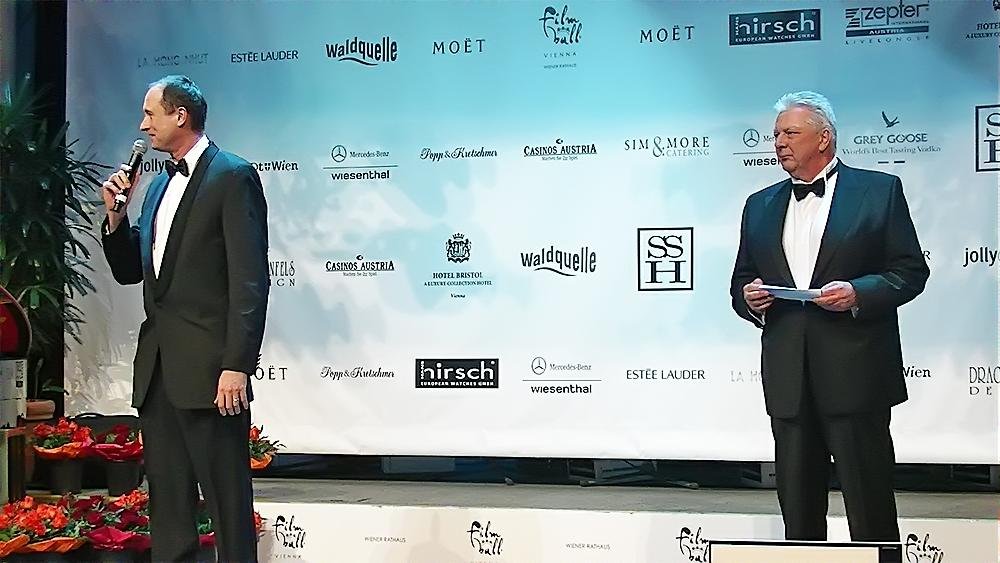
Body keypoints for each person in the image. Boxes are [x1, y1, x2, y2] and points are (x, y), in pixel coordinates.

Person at [730, 91, 929, 541]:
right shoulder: (759, 204)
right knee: (798, 512)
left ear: (823, 138)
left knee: (870, 505)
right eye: (776, 134)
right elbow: (741, 278)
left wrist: (858, 292)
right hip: (789, 378)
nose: (779, 142)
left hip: (856, 372)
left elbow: (909, 272)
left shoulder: (879, 191)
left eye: (790, 133)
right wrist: (750, 299)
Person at [101, 74, 268, 561]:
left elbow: (250, 280)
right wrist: (116, 219)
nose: (142, 125)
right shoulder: (155, 187)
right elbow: (131, 271)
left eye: (150, 114)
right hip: (158, 373)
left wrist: (236, 364)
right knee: (169, 508)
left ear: (181, 115)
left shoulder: (232, 176)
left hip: (212, 373)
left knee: (227, 505)